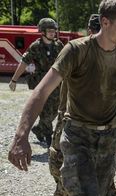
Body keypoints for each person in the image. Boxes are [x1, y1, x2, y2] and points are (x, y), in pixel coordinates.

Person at [8, 0, 116, 196]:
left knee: (102, 193)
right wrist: (20, 136)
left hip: (108, 138)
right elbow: (41, 92)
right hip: (78, 135)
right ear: (105, 22)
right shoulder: (76, 51)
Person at [47, 13, 116, 196]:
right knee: (68, 179)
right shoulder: (78, 53)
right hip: (71, 123)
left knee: (106, 180)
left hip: (104, 129)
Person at [9, 18, 64, 147]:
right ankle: (49, 138)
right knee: (45, 110)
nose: (53, 33)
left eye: (54, 31)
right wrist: (14, 80)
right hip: (42, 83)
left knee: (55, 110)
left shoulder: (58, 45)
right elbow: (24, 63)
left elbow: (65, 61)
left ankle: (39, 129)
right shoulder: (36, 46)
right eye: (50, 31)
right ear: (43, 32)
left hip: (56, 83)